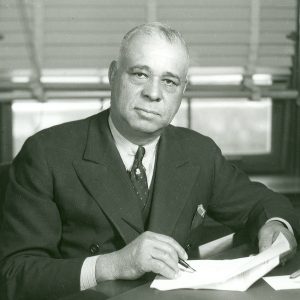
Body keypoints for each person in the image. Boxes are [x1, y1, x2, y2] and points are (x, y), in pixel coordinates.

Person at [0, 22, 299, 300]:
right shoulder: (47, 153)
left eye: (169, 81)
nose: (153, 93)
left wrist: (276, 225)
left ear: (183, 91)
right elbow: (13, 275)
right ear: (114, 74)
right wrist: (112, 265)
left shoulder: (198, 152)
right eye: (140, 74)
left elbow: (264, 204)